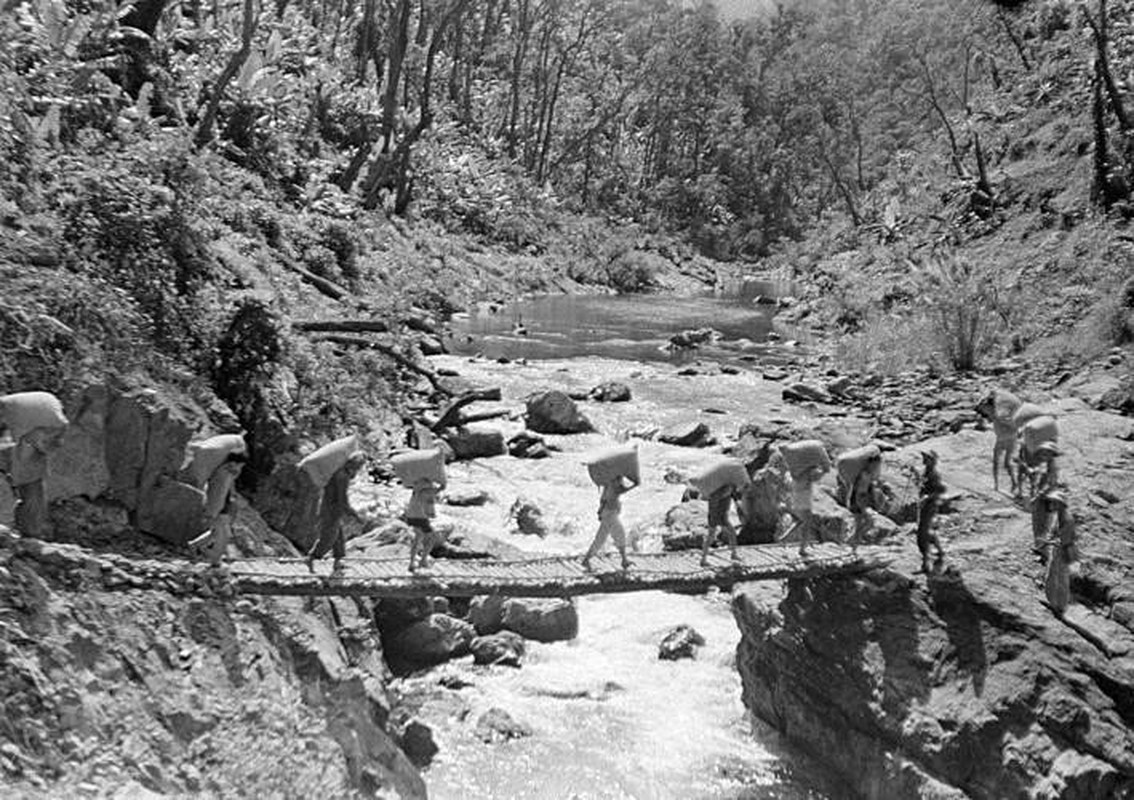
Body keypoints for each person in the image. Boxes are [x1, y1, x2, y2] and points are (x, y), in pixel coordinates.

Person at [0, 391, 68, 539]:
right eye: (52, 434)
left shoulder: (33, 457)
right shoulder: (9, 451)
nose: (60, 443)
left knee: (33, 497)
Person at [306, 450, 367, 572]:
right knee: (328, 538)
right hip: (330, 510)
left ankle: (338, 562)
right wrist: (355, 516)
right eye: (359, 466)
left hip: (331, 509)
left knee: (339, 538)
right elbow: (342, 500)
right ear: (353, 465)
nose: (359, 470)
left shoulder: (341, 472)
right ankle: (312, 558)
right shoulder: (342, 477)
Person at [188, 449, 248, 566]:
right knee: (224, 536)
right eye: (240, 465)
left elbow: (230, 490)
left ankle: (194, 545)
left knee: (215, 533)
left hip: (222, 506)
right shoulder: (224, 473)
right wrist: (214, 510)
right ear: (234, 462)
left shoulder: (227, 472)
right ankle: (215, 563)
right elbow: (218, 492)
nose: (241, 467)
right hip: (218, 506)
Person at [582, 474, 638, 571]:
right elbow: (621, 490)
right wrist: (635, 485)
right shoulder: (613, 484)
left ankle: (586, 560)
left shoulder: (608, 485)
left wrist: (600, 512)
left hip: (608, 514)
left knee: (600, 538)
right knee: (619, 534)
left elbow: (603, 500)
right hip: (611, 514)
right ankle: (624, 560)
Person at [1041, 490, 1076, 616]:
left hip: (1063, 551)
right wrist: (1049, 540)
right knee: (1053, 574)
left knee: (1061, 577)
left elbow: (1065, 539)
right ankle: (1052, 601)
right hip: (1057, 549)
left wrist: (1051, 542)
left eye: (1054, 502)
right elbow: (1053, 533)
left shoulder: (1067, 519)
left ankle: (1060, 606)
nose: (1052, 504)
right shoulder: (1058, 516)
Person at [915, 450, 946, 573]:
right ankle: (940, 552)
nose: (923, 459)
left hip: (929, 506)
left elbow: (939, 490)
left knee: (922, 535)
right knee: (926, 531)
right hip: (925, 506)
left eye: (926, 458)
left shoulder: (934, 474)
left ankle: (925, 564)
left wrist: (927, 497)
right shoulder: (926, 472)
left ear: (931, 461)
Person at [787, 464, 826, 556]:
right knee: (807, 524)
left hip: (797, 499)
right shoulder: (806, 473)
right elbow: (816, 477)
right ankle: (802, 548)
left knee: (805, 522)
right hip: (803, 500)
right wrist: (824, 469)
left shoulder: (795, 472)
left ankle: (802, 546)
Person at [406, 476, 442, 572]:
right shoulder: (426, 487)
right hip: (420, 517)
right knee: (432, 537)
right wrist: (443, 484)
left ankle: (412, 562)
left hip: (411, 515)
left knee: (418, 537)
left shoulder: (417, 484)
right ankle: (423, 560)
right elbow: (432, 492)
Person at [701, 482, 741, 566]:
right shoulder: (724, 491)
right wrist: (714, 515)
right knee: (713, 537)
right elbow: (714, 501)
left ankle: (733, 554)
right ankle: (703, 560)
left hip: (720, 516)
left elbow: (733, 499)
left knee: (729, 534)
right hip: (719, 516)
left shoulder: (727, 490)